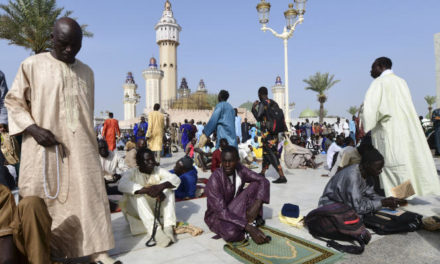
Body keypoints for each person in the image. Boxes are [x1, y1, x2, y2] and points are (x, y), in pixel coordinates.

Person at [4, 17, 118, 263]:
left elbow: (85, 112)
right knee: (40, 200)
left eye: (75, 46)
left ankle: (97, 251)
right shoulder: (31, 65)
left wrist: (94, 138)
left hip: (82, 149)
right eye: (64, 44)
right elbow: (13, 102)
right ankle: (44, 253)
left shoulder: (87, 72)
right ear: (52, 38)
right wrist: (33, 129)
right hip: (42, 149)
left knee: (90, 198)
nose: (69, 50)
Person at [362, 57, 440, 196]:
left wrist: (365, 127)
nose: (370, 71)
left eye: (372, 67)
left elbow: (370, 110)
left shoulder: (379, 83)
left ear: (380, 66)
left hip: (389, 132)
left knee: (393, 165)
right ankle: (406, 196)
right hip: (406, 131)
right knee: (405, 163)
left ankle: (399, 198)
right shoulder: (401, 82)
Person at [204, 146, 271, 244]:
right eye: (224, 161)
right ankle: (247, 231)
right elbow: (222, 212)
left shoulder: (240, 169)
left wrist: (257, 203)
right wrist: (248, 228)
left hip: (234, 207)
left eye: (231, 161)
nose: (227, 165)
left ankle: (249, 220)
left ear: (237, 161)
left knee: (257, 183)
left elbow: (263, 181)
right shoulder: (215, 179)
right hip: (217, 216)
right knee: (230, 234)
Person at [118, 148, 181, 247]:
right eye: (147, 160)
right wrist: (147, 190)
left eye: (152, 159)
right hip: (136, 214)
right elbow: (121, 185)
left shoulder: (158, 170)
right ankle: (156, 231)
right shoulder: (131, 172)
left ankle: (168, 227)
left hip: (154, 210)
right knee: (135, 193)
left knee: (168, 189)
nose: (151, 162)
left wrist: (160, 187)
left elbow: (175, 179)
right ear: (138, 162)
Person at [319, 147, 407, 216]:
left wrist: (387, 200)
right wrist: (382, 203)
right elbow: (357, 207)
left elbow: (371, 195)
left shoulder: (368, 175)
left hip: (347, 203)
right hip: (330, 205)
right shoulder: (352, 176)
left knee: (371, 209)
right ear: (367, 165)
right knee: (359, 217)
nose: (380, 171)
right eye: (378, 168)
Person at [252, 87, 287, 183]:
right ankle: (262, 172)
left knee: (272, 154)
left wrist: (253, 108)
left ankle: (282, 176)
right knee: (266, 154)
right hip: (275, 134)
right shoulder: (273, 102)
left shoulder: (263, 103)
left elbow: (258, 117)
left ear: (259, 94)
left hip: (268, 135)